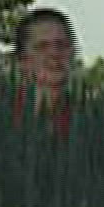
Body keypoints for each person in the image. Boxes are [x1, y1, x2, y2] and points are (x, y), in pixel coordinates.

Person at [9, 7, 78, 141]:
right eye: (41, 47)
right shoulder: (0, 116)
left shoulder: (89, 119)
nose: (54, 53)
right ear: (22, 60)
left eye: (61, 45)